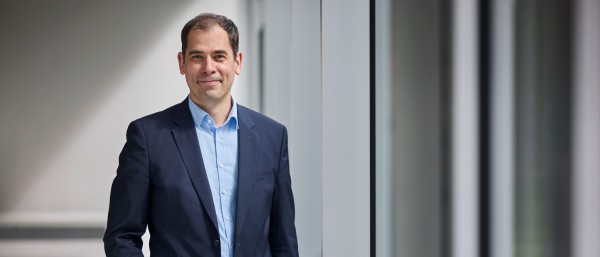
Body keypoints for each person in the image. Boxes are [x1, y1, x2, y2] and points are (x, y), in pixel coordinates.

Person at [103, 13, 299, 257]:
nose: (209, 68)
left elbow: (284, 241)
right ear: (182, 63)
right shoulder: (147, 137)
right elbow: (121, 237)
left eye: (219, 56)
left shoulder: (273, 136)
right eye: (197, 57)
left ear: (237, 62)